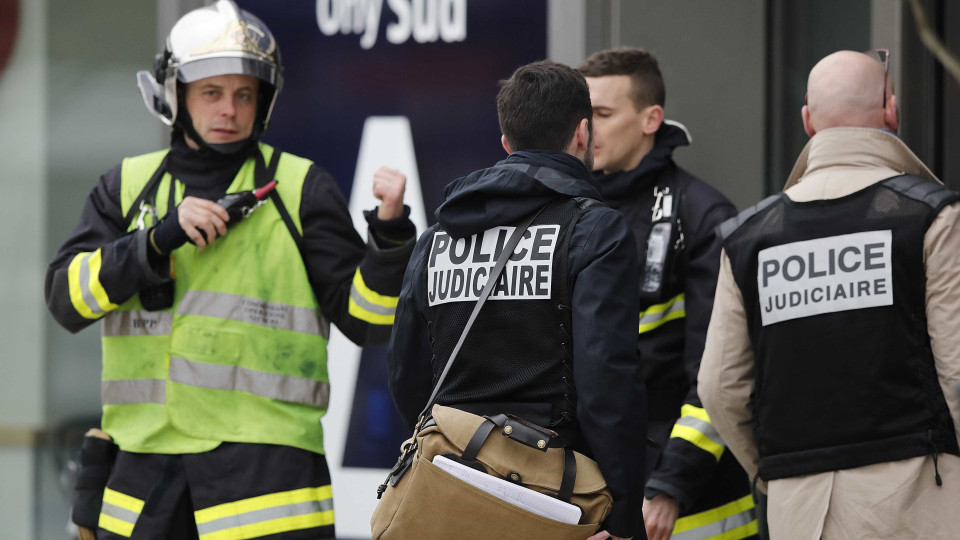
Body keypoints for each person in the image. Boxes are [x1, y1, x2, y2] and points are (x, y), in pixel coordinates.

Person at [44, 1, 415, 538]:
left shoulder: (301, 189)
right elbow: (66, 300)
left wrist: (389, 231)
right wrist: (152, 243)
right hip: (142, 487)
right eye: (211, 93)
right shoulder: (125, 188)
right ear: (177, 95)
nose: (230, 110)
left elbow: (369, 321)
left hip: (267, 488)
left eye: (244, 95)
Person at [699, 49, 960, 539]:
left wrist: (777, 469)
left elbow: (718, 387)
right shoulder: (931, 218)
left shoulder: (751, 236)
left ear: (806, 121)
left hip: (798, 509)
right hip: (920, 499)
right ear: (891, 110)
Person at [387, 60, 648, 540]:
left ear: (507, 143)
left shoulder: (436, 239)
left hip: (450, 495)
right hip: (556, 500)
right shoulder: (594, 230)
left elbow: (406, 375)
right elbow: (606, 385)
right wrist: (623, 516)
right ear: (583, 133)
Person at [578, 48, 756, 540]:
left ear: (651, 118)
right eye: (582, 116)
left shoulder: (702, 216)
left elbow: (719, 370)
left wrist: (671, 483)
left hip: (688, 504)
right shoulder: (566, 212)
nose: (588, 129)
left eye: (604, 114)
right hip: (589, 491)